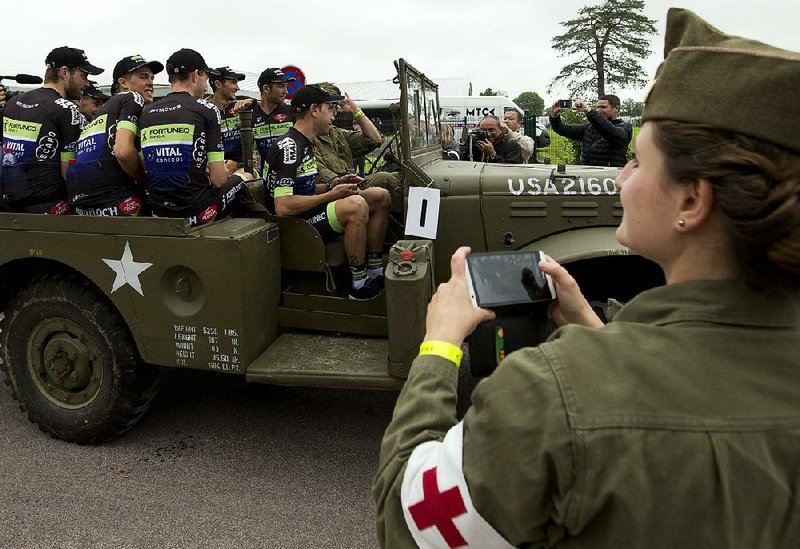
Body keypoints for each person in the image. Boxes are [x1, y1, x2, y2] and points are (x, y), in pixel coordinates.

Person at [373, 8, 800, 548]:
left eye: (639, 164)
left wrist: (438, 347)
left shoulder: (552, 394)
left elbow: (408, 523)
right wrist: (596, 328)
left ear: (692, 199)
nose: (621, 178)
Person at [266, 84, 391, 301]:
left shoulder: (303, 143)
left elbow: (303, 189)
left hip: (308, 213)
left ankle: (375, 270)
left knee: (380, 196)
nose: (333, 116)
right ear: (314, 110)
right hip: (295, 225)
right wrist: (331, 195)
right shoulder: (290, 147)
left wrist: (334, 185)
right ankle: (358, 284)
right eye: (329, 109)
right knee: (356, 205)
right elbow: (283, 206)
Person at [139, 48, 252, 227]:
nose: (206, 84)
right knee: (246, 176)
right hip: (197, 214)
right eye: (206, 78)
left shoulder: (147, 113)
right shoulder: (207, 110)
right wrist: (231, 170)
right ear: (195, 75)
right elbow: (218, 180)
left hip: (158, 213)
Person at [1, 46, 103, 214]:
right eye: (83, 76)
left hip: (9, 207)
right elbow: (69, 173)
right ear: (64, 72)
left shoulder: (14, 102)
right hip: (50, 209)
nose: (86, 83)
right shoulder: (67, 108)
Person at [66, 54, 163, 217]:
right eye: (143, 77)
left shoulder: (103, 112)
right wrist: (145, 178)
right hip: (120, 203)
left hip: (84, 206)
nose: (151, 83)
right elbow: (123, 152)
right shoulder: (132, 97)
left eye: (152, 78)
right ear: (123, 83)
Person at [312, 84, 402, 210]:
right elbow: (327, 179)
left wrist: (355, 110)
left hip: (350, 187)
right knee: (384, 179)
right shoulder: (308, 139)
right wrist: (342, 182)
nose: (335, 112)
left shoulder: (335, 133)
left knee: (399, 177)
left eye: (336, 107)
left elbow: (375, 139)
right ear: (315, 109)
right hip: (335, 194)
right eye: (331, 107)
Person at [549, 94, 632, 167]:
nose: (599, 110)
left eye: (603, 107)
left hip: (610, 178)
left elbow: (610, 131)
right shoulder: (590, 127)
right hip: (589, 177)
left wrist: (588, 111)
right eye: (598, 107)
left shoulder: (624, 128)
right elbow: (563, 129)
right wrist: (554, 116)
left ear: (616, 109)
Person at [209, 66, 255, 174]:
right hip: (216, 170)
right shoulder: (205, 111)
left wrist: (252, 101)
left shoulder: (240, 106)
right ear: (218, 84)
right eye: (233, 83)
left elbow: (267, 107)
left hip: (243, 169)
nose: (237, 88)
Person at [253, 67, 295, 178]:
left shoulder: (292, 112)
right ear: (266, 88)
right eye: (281, 86)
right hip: (262, 179)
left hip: (290, 177)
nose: (286, 91)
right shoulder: (249, 114)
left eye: (286, 86)